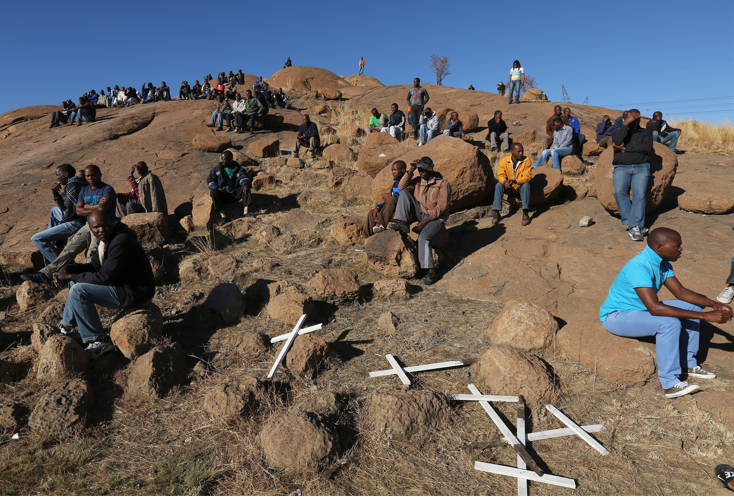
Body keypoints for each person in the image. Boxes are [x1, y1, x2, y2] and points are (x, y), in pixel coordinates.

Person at [599, 227, 731, 399]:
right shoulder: (639, 267)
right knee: (669, 323)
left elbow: (681, 292)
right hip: (617, 316)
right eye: (677, 246)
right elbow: (655, 308)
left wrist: (715, 304)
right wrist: (706, 316)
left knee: (693, 306)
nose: (681, 249)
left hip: (640, 310)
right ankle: (669, 383)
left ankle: (687, 363)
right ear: (659, 247)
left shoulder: (662, 263)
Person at [53, 211, 156, 358]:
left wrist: (68, 276)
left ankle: (98, 341)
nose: (102, 230)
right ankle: (68, 328)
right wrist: (70, 268)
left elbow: (104, 277)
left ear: (112, 223)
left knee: (78, 290)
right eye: (97, 227)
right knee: (75, 281)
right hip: (123, 286)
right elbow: (95, 267)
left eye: (106, 225)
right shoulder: (107, 241)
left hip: (135, 292)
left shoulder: (120, 242)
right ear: (90, 229)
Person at [22, 165, 117, 284]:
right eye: (88, 176)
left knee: (92, 250)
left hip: (102, 225)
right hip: (88, 224)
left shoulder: (107, 189)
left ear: (100, 175)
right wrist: (96, 206)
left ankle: (85, 281)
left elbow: (102, 208)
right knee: (70, 249)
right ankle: (46, 273)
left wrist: (87, 207)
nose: (90, 178)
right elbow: (78, 210)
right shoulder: (84, 190)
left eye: (93, 175)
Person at [388, 157, 451, 286]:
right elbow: (401, 186)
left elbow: (442, 207)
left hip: (436, 217)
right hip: (422, 212)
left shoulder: (442, 183)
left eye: (423, 170)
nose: (421, 172)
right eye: (419, 170)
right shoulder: (418, 181)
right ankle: (402, 223)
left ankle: (432, 272)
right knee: (405, 193)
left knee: (423, 237)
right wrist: (411, 169)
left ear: (430, 170)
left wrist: (425, 221)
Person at [611, 108, 654, 242]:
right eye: (626, 117)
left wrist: (624, 149)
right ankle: (634, 223)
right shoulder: (618, 132)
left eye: (632, 117)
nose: (629, 119)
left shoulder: (646, 132)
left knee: (639, 195)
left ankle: (635, 227)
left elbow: (647, 148)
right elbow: (617, 142)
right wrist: (625, 124)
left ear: (639, 118)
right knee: (619, 193)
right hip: (621, 167)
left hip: (641, 167)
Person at [30, 164, 86, 264]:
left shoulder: (72, 185)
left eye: (58, 175)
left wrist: (63, 221)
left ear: (65, 174)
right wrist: (56, 194)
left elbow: (72, 210)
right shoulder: (75, 182)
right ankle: (54, 243)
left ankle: (61, 264)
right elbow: (63, 207)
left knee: (36, 238)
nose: (57, 177)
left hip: (77, 222)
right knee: (54, 210)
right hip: (76, 217)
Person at [358, 161, 409, 245]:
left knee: (392, 199)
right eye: (392, 170)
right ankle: (367, 242)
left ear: (403, 170)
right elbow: (387, 201)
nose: (393, 172)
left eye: (395, 170)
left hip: (403, 213)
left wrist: (392, 194)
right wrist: (378, 207)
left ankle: (381, 225)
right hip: (392, 212)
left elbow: (406, 196)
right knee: (372, 212)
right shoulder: (395, 184)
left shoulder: (409, 180)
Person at [206, 151, 252, 225]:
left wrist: (245, 184)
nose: (222, 161)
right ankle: (223, 216)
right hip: (223, 194)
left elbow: (244, 177)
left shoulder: (238, 169)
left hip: (235, 193)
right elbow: (210, 180)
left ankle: (246, 212)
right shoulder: (216, 169)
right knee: (213, 192)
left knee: (246, 187)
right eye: (222, 159)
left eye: (224, 159)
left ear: (230, 159)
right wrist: (216, 187)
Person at [491, 143, 533, 226]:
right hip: (509, 187)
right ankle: (496, 213)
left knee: (526, 185)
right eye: (519, 151)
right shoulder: (504, 161)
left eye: (522, 151)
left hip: (519, 186)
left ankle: (525, 213)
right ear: (512, 152)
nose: (521, 153)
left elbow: (527, 177)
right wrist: (505, 182)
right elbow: (500, 175)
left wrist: (515, 181)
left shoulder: (526, 161)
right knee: (498, 185)